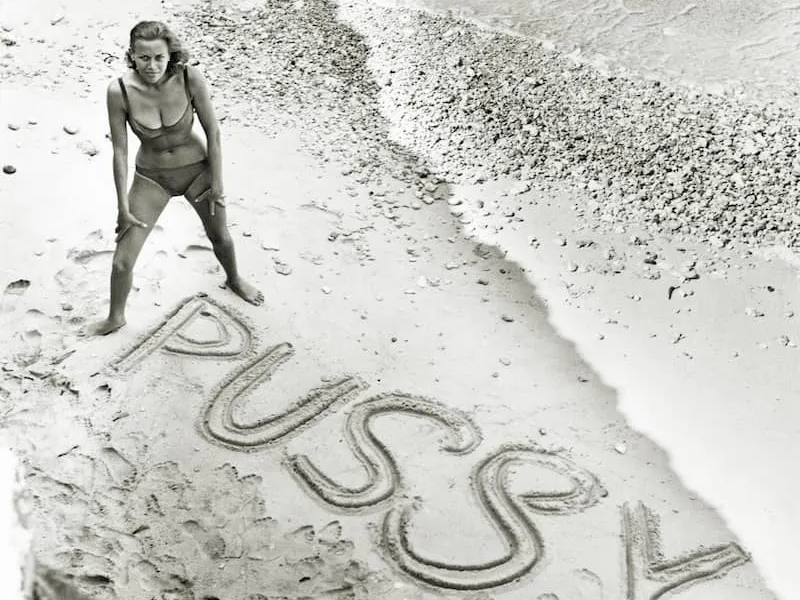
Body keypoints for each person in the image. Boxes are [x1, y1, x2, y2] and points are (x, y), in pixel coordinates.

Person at [86, 20, 264, 336]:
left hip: (197, 171)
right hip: (152, 179)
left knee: (220, 237)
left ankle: (234, 279)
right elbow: (120, 152)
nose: (152, 66)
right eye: (144, 58)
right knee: (121, 262)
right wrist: (122, 207)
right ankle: (115, 317)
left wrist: (218, 183)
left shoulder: (189, 77)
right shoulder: (119, 91)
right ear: (132, 55)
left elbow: (213, 132)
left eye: (159, 57)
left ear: (170, 55)